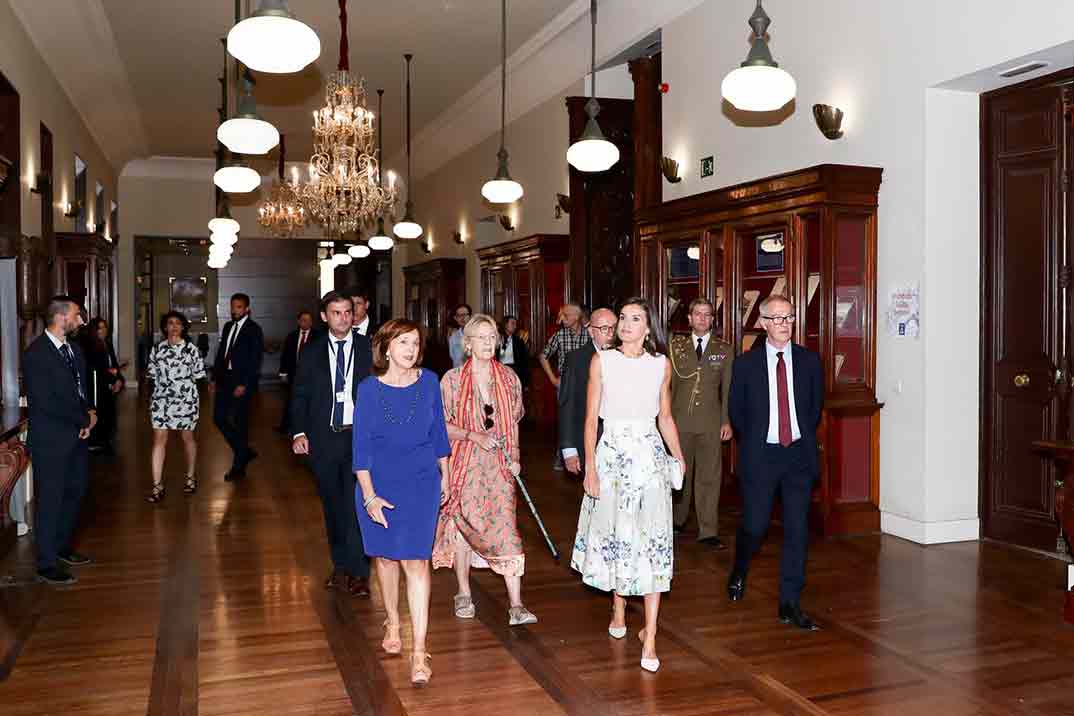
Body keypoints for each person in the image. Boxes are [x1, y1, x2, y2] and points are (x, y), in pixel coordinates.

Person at [570, 297, 686, 673]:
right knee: (619, 537)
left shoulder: (661, 366)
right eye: (622, 318)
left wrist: (679, 457)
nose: (626, 324)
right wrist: (590, 469)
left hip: (650, 458)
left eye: (635, 318)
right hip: (612, 456)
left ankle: (650, 635)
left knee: (653, 541)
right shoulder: (602, 361)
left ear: (649, 327)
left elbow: (665, 417)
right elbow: (590, 420)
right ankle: (618, 605)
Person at [354, 319, 451, 686]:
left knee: (417, 561)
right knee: (385, 557)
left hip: (422, 483)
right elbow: (360, 448)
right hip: (378, 484)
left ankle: (419, 650)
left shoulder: (428, 382)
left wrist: (447, 475)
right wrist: (369, 496)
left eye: (415, 343)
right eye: (403, 342)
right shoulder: (368, 389)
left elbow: (439, 432)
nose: (411, 350)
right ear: (386, 347)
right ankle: (393, 620)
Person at [727, 294, 824, 631]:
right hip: (762, 456)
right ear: (764, 323)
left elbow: (813, 410)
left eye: (790, 318)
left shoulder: (810, 361)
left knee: (797, 529)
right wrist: (760, 438)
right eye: (778, 319)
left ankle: (789, 602)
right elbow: (737, 413)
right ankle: (740, 566)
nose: (785, 325)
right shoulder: (745, 365)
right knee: (755, 526)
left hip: (798, 455)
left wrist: (796, 436)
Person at [433, 314, 536, 627]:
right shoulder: (451, 380)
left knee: (506, 527)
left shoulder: (509, 378)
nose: (488, 343)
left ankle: (516, 604)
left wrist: (515, 456)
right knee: (464, 525)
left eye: (492, 337)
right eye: (480, 337)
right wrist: (473, 435)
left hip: (499, 465)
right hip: (464, 463)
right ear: (467, 344)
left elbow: (513, 425)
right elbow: (440, 428)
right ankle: (463, 592)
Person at [291, 292, 372, 597]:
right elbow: (300, 394)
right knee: (333, 505)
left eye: (347, 312)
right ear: (324, 316)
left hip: (359, 438)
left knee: (358, 505)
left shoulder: (368, 348)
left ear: (354, 314)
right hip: (324, 438)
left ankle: (361, 572)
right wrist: (299, 432)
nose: (342, 318)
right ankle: (340, 567)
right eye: (336, 313)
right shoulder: (311, 351)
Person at [23, 296, 96, 585]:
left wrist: (89, 412)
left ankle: (63, 546)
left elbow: (81, 388)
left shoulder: (74, 350)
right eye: (77, 315)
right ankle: (46, 562)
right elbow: (46, 402)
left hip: (76, 435)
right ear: (61, 317)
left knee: (76, 492)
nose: (81, 321)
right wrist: (82, 420)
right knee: (50, 499)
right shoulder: (36, 354)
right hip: (51, 439)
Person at [668, 298, 734, 549]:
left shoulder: (724, 349)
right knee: (679, 474)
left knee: (709, 476)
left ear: (712, 320)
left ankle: (708, 530)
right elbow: (668, 387)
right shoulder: (676, 347)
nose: (702, 319)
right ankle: (677, 520)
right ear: (689, 318)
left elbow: (727, 390)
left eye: (707, 315)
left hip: (710, 422)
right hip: (680, 421)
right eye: (697, 314)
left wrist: (726, 420)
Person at [145, 311, 206, 502]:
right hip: (161, 401)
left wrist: (197, 402)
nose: (174, 327)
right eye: (170, 323)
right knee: (159, 440)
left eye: (178, 323)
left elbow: (200, 377)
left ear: (183, 327)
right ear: (164, 327)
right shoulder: (157, 349)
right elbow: (151, 377)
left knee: (187, 437)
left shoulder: (191, 349)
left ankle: (190, 477)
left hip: (186, 400)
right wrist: (153, 399)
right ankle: (157, 486)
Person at [210, 292, 264, 481]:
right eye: (233, 307)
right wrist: (214, 378)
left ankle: (239, 466)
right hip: (225, 379)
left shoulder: (254, 329)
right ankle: (244, 451)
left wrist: (245, 384)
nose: (234, 310)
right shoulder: (227, 327)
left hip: (242, 381)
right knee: (218, 418)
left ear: (247, 309)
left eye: (239, 307)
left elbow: (255, 360)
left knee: (241, 424)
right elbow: (222, 354)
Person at [559, 307, 617, 475]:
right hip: (589, 439)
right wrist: (569, 449)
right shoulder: (576, 359)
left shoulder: (624, 356)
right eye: (604, 328)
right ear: (591, 331)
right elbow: (567, 404)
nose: (611, 333)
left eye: (614, 327)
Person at [539, 303, 587, 470]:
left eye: (565, 315)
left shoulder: (589, 335)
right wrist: (553, 379)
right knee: (565, 419)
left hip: (586, 384)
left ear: (576, 317)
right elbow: (543, 356)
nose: (561, 319)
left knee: (583, 418)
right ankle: (562, 456)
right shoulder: (559, 335)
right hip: (565, 383)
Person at [80, 317, 125, 454]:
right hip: (96, 387)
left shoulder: (107, 344)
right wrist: (112, 376)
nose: (104, 330)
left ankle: (105, 439)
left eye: (105, 327)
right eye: (100, 328)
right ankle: (95, 440)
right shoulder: (90, 347)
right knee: (99, 413)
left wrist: (118, 379)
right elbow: (96, 368)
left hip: (108, 387)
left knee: (109, 414)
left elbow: (114, 365)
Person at [277, 310, 314, 434]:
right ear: (298, 321)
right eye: (304, 320)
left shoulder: (318, 336)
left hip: (311, 376)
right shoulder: (292, 336)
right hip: (294, 374)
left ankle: (307, 428)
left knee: (308, 402)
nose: (306, 323)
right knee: (291, 401)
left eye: (309, 320)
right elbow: (285, 356)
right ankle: (287, 427)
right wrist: (283, 373)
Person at [497, 315, 530, 390]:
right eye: (512, 323)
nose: (515, 326)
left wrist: (525, 383)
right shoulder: (497, 338)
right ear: (505, 325)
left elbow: (524, 362)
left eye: (515, 324)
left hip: (514, 372)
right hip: (499, 373)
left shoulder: (519, 341)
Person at [447, 303, 472, 369]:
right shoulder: (453, 337)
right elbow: (452, 357)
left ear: (470, 316)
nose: (462, 318)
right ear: (455, 318)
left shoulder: (476, 335)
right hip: (458, 375)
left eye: (464, 315)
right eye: (459, 315)